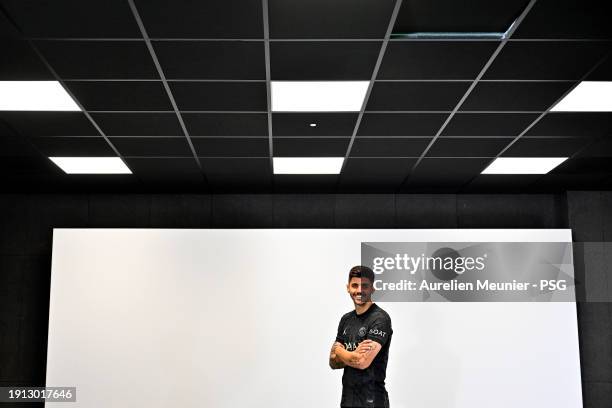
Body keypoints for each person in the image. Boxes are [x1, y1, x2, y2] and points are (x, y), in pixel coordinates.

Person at [329, 266, 393, 408]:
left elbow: (361, 361)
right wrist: (352, 355)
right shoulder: (346, 320)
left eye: (364, 286)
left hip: (372, 402)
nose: (359, 290)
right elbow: (333, 362)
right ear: (348, 288)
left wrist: (340, 352)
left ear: (372, 288)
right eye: (354, 285)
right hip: (348, 400)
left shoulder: (380, 319)